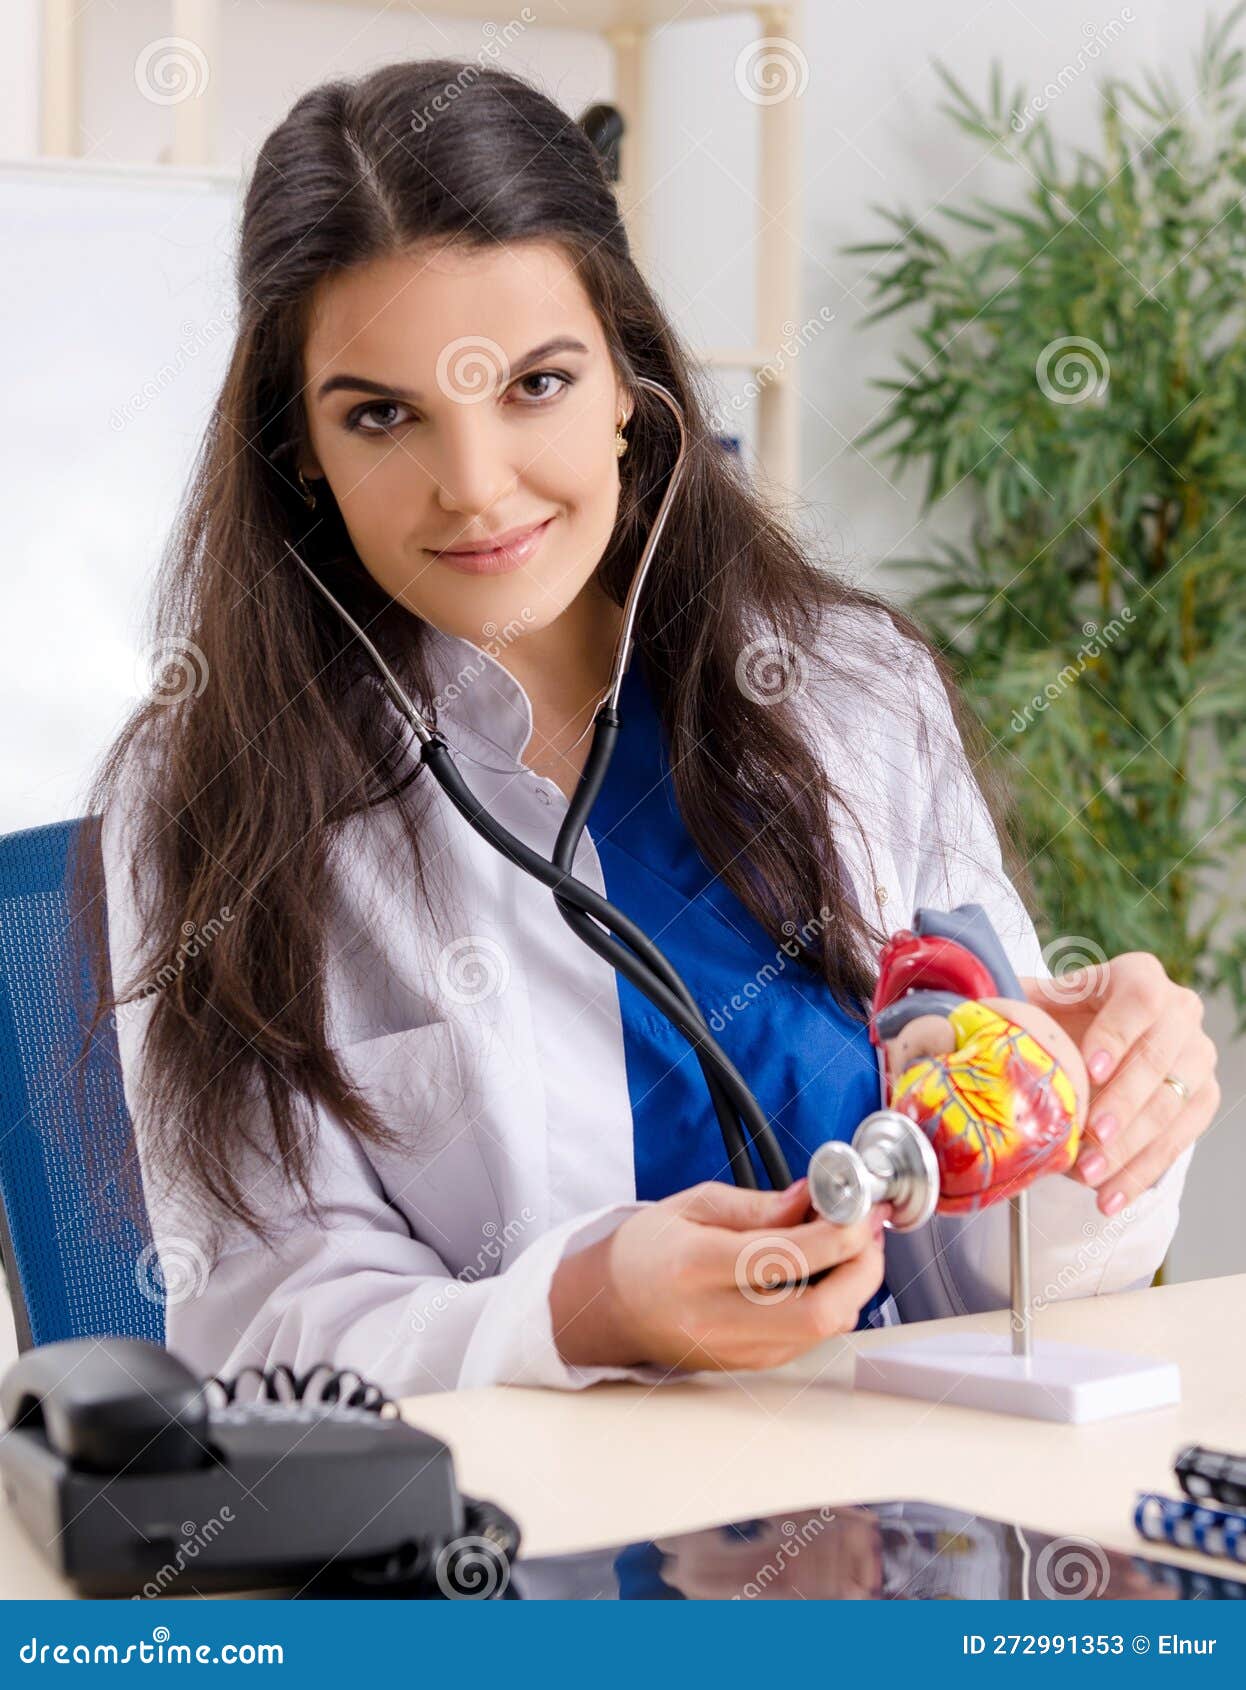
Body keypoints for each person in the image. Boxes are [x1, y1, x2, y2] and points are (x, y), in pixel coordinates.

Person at [79, 59, 1218, 1400]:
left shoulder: (854, 694)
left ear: (626, 375)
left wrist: (1082, 1110)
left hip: (888, 1535)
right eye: (381, 415)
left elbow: (991, 1272)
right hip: (509, 1568)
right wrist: (575, 1309)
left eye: (537, 384)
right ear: (300, 450)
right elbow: (240, 1333)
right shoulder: (203, 801)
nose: (475, 485)